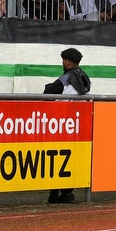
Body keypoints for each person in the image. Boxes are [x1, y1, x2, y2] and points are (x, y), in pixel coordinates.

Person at [43, 48, 90, 204]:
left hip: (60, 123)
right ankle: (68, 193)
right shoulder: (85, 78)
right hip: (76, 125)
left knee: (56, 159)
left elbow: (48, 93)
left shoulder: (66, 78)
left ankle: (56, 194)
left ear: (66, 62)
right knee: (70, 159)